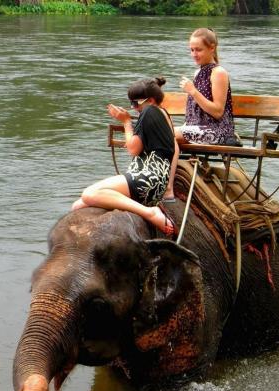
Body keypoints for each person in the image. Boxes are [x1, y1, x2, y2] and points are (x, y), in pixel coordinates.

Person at [72, 77, 177, 236]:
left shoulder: (149, 111)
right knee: (78, 206)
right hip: (153, 180)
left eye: (136, 103)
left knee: (89, 193)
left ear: (151, 100)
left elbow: (133, 149)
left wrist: (126, 122)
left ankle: (150, 213)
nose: (134, 107)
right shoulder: (161, 113)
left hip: (147, 177)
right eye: (131, 103)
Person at [176, 28, 236, 146]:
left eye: (198, 50)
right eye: (192, 50)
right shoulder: (198, 72)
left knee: (163, 135)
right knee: (157, 133)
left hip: (217, 131)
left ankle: (177, 164)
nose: (194, 54)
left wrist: (193, 91)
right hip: (194, 128)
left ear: (212, 48)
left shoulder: (218, 73)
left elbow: (218, 112)